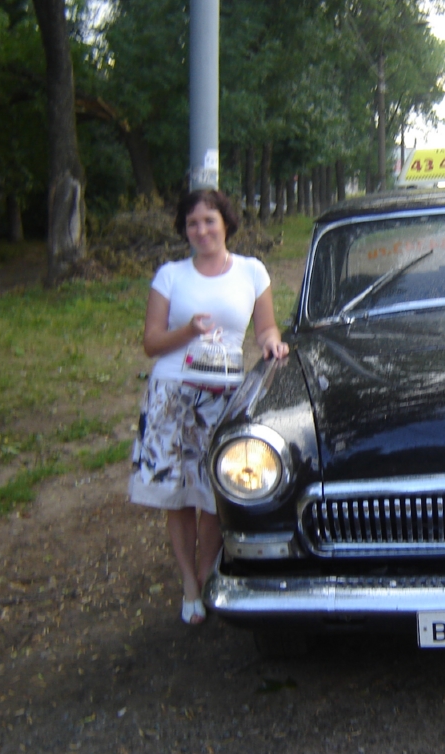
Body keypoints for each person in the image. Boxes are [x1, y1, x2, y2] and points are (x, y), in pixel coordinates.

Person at [128, 189, 289, 624]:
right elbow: (151, 343)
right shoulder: (170, 276)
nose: (201, 230)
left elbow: (266, 327)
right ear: (184, 230)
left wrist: (272, 343)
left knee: (217, 494)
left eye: (209, 221)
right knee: (177, 495)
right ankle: (188, 584)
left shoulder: (252, 271)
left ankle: (205, 575)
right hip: (173, 394)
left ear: (226, 224)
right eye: (192, 223)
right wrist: (187, 331)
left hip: (223, 396)